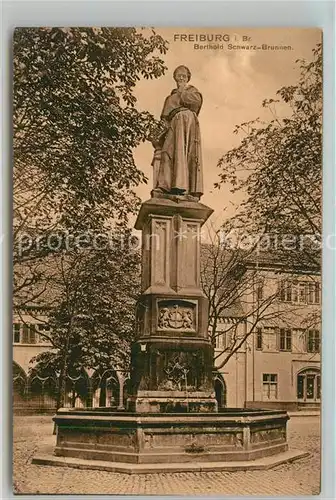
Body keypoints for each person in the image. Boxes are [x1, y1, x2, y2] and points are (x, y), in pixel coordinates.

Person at [152, 65, 204, 199]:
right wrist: (156, 135)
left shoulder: (193, 92)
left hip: (188, 124)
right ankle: (165, 185)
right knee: (168, 152)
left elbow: (195, 104)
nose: (181, 78)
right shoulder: (170, 98)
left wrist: (182, 90)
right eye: (178, 76)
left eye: (184, 76)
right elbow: (164, 119)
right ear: (175, 78)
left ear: (188, 78)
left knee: (187, 154)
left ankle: (186, 189)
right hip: (173, 125)